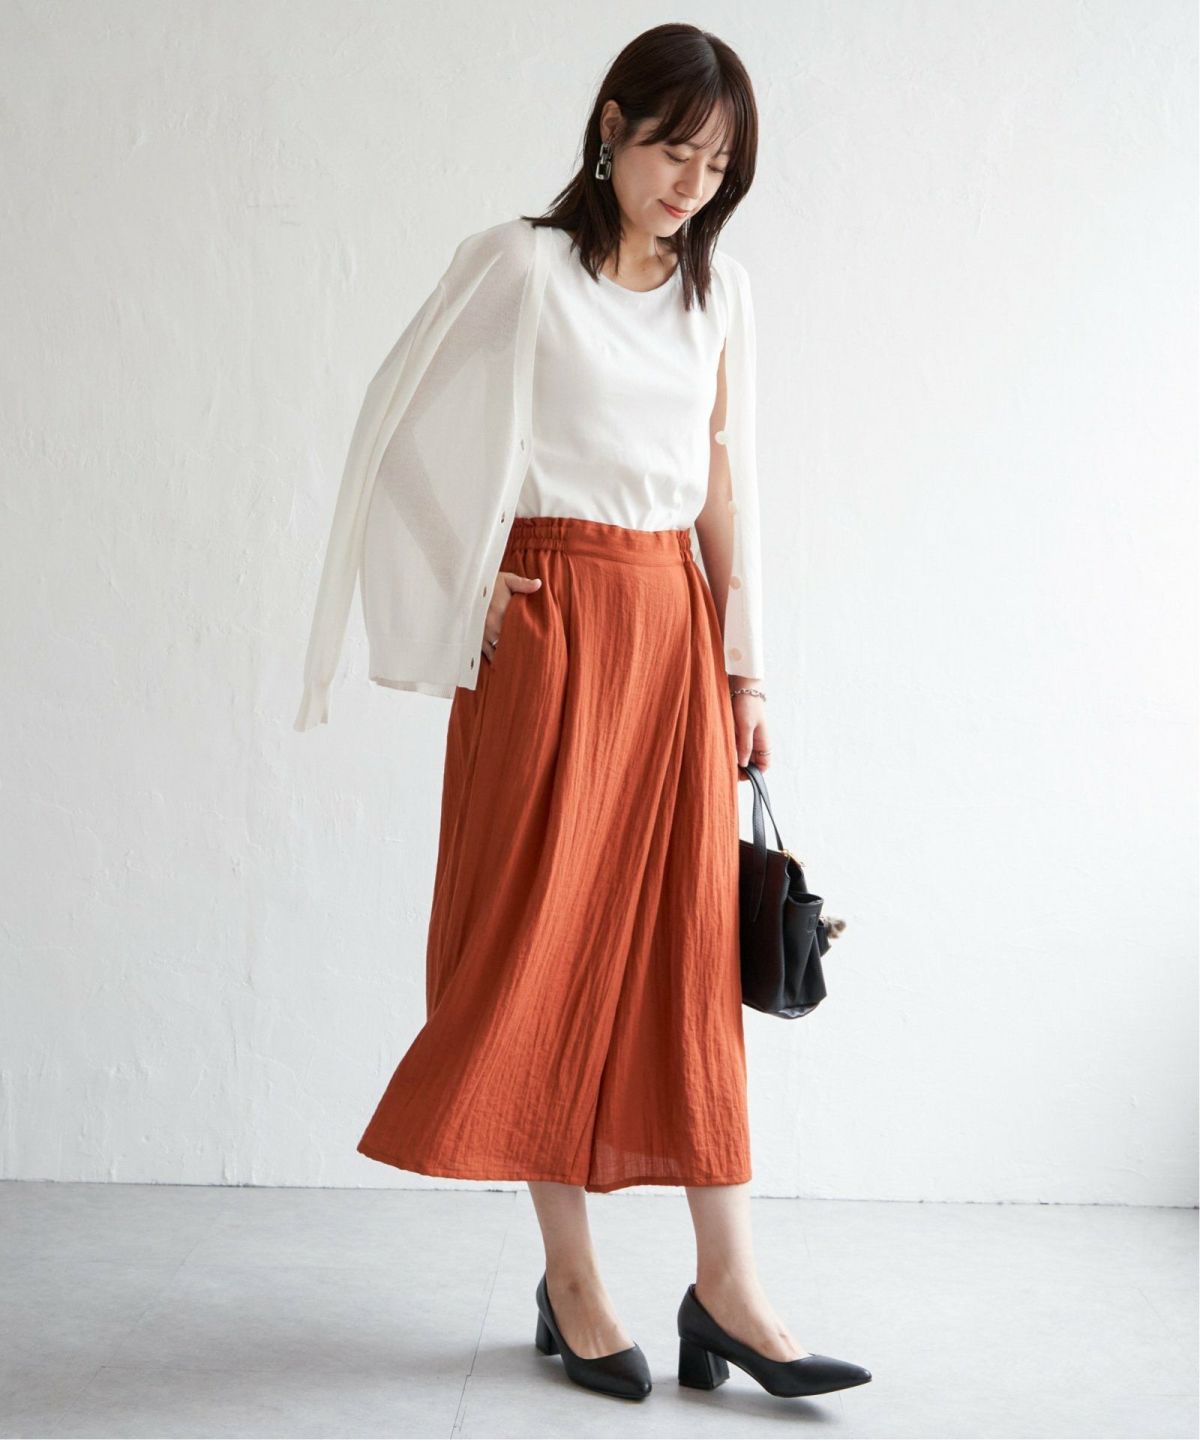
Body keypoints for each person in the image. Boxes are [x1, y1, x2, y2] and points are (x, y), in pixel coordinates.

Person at [299, 21, 871, 1406]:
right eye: (676, 151)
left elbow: (724, 488)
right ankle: (572, 1278)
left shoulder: (718, 297)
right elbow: (394, 425)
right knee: (539, 944)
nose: (691, 186)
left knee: (687, 954)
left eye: (718, 168)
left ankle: (727, 1285)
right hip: (554, 629)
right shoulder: (522, 266)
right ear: (612, 125)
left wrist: (746, 673)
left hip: (672, 628)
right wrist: (471, 583)